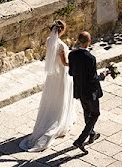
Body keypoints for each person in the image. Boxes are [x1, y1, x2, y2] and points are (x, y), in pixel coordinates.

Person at [19, 21, 76, 152]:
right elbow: (65, 63)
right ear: (61, 30)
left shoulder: (49, 40)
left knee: (52, 97)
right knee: (61, 96)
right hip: (61, 74)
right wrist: (75, 62)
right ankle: (57, 121)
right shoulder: (60, 45)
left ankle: (49, 117)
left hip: (52, 76)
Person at [69, 31, 106, 154]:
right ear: (89, 41)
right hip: (90, 91)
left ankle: (92, 134)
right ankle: (80, 140)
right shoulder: (91, 58)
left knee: (87, 112)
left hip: (80, 90)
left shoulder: (72, 55)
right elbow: (93, 78)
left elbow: (71, 73)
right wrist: (103, 75)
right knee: (95, 114)